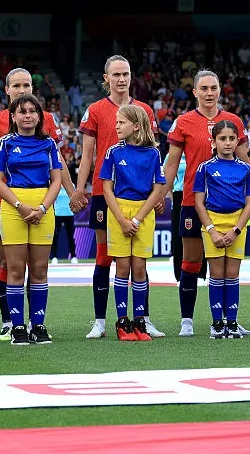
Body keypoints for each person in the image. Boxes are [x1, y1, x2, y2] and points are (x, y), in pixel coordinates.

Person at [0, 67, 78, 342]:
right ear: (7, 90)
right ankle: (10, 322)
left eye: (27, 85)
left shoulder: (48, 129)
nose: (22, 90)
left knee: (39, 268)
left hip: (42, 204)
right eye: (16, 85)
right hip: (8, 203)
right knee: (9, 265)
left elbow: (58, 167)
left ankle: (37, 323)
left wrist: (72, 192)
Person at [75, 56, 163, 339]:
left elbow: (153, 153)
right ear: (106, 78)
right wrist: (79, 189)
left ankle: (143, 319)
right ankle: (100, 320)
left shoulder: (145, 110)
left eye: (126, 73)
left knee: (139, 260)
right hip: (106, 195)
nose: (121, 79)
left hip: (140, 197)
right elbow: (87, 155)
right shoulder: (96, 110)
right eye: (116, 74)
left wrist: (157, 194)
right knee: (105, 256)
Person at [162, 70, 249, 337]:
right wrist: (161, 194)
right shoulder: (184, 122)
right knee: (191, 260)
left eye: (213, 88)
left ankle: (227, 320)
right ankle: (187, 319)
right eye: (204, 88)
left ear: (220, 91)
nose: (209, 93)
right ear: (195, 92)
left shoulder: (233, 121)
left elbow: (245, 162)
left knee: (226, 265)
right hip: (192, 201)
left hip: (229, 205)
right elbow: (173, 162)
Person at [0, 94, 63, 346]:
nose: (28, 115)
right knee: (15, 269)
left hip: (43, 209)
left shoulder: (50, 144)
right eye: (22, 111)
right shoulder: (4, 143)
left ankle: (38, 325)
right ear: (13, 116)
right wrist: (20, 206)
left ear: (40, 116)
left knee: (40, 270)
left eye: (33, 111)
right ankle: (18, 327)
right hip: (13, 209)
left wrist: (43, 207)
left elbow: (56, 180)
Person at [101, 104, 166, 341]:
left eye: (121, 122)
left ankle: (140, 321)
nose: (116, 126)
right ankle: (122, 322)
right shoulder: (113, 152)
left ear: (136, 126)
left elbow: (158, 187)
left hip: (143, 212)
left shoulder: (153, 153)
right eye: (116, 122)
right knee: (122, 267)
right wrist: (121, 219)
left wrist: (138, 218)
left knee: (140, 268)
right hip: (119, 210)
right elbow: (106, 187)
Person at [193, 120, 250, 338]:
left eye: (232, 138)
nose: (228, 143)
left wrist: (236, 230)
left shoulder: (245, 168)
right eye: (222, 139)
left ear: (238, 140)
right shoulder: (205, 168)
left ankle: (232, 322)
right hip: (212, 225)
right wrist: (211, 230)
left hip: (237, 226)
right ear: (214, 141)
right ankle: (216, 323)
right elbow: (199, 202)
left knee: (232, 275)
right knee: (217, 275)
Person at [50, 181, 77, 264]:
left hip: (69, 213)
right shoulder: (55, 185)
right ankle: (54, 257)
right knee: (55, 236)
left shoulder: (71, 185)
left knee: (70, 236)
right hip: (58, 213)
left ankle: (73, 256)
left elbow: (74, 198)